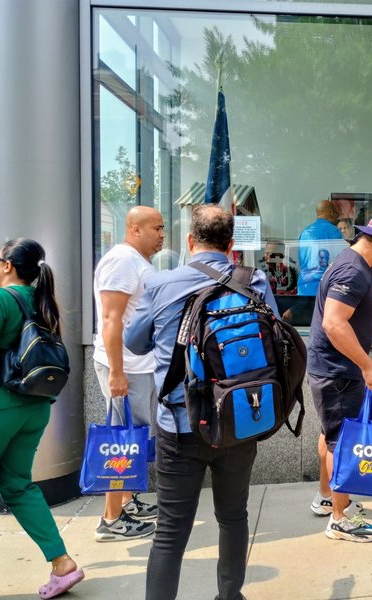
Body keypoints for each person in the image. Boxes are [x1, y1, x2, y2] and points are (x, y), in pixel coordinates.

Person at [124, 204, 278, 600]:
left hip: (179, 426)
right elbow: (275, 343)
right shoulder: (255, 280)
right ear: (231, 244)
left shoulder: (160, 284)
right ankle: (230, 596)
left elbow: (134, 342)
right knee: (233, 517)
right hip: (239, 419)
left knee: (171, 529)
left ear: (190, 241)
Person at [0, 239, 84, 600]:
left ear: (7, 265)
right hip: (34, 408)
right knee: (16, 485)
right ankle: (62, 563)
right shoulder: (43, 301)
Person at [308, 214, 372, 542]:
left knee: (331, 434)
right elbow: (335, 323)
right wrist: (367, 365)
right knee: (342, 442)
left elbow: (356, 313)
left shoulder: (352, 263)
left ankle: (328, 497)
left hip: (333, 367)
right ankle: (339, 520)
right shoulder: (353, 270)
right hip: (338, 369)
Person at [92, 206, 164, 542]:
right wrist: (117, 372)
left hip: (139, 367)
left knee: (134, 440)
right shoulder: (122, 261)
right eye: (156, 228)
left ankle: (126, 501)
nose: (162, 235)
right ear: (135, 229)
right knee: (121, 441)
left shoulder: (137, 261)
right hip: (126, 368)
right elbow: (111, 319)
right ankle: (111, 520)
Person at [297, 199, 346, 296]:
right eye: (337, 214)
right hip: (324, 287)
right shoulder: (334, 231)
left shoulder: (304, 232)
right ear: (331, 213)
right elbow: (340, 262)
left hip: (303, 287)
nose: (338, 217)